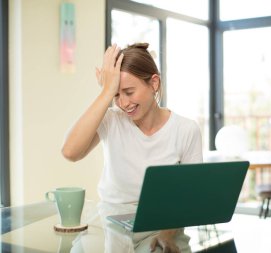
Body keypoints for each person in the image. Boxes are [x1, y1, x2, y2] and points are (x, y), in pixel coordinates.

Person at [62, 43, 203, 253]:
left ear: (154, 83)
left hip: (163, 223)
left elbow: (190, 196)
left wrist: (167, 232)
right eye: (117, 95)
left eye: (129, 92)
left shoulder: (186, 129)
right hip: (110, 221)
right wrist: (106, 92)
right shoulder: (111, 120)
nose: (123, 103)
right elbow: (70, 152)